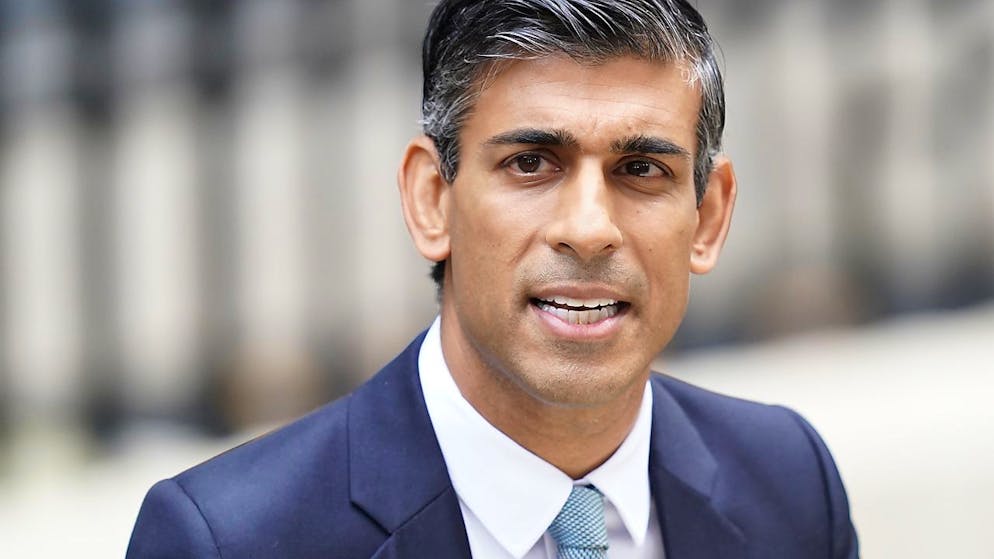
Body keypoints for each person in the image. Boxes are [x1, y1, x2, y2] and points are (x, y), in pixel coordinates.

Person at [126, 1, 859, 557]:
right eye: (531, 163)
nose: (588, 226)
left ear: (707, 217)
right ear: (430, 199)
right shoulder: (231, 541)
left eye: (641, 170)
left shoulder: (789, 484)